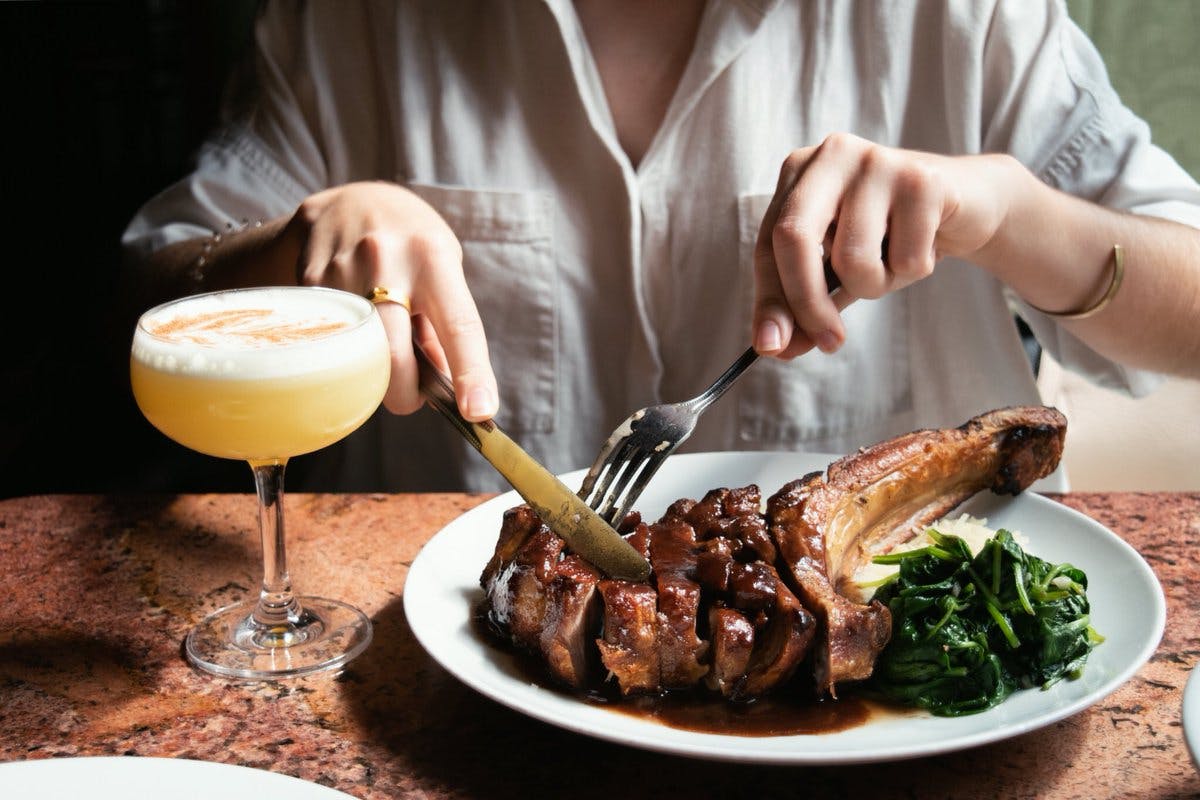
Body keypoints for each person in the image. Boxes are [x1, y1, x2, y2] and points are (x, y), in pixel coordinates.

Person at [122, 0, 1200, 493]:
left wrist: (1014, 213)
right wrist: (292, 253)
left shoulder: (971, 18)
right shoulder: (349, 24)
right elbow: (151, 282)